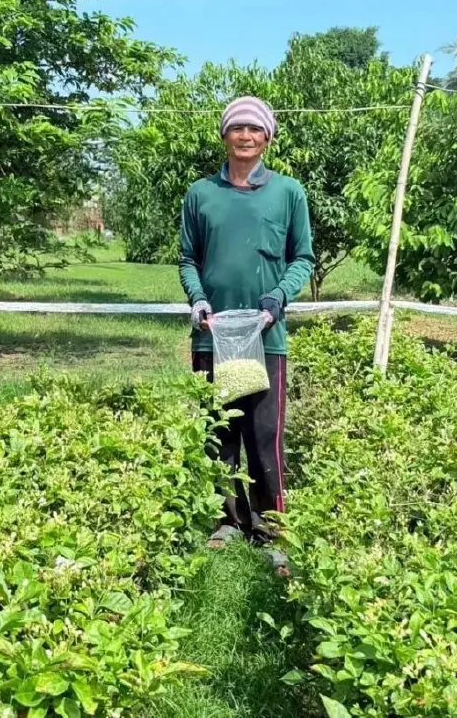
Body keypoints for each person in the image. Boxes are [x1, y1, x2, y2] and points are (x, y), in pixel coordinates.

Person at [179, 95, 314, 575]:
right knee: (220, 433)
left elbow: (303, 259)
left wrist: (278, 297)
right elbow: (188, 258)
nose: (245, 136)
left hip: (265, 338)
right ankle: (228, 522)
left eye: (255, 129)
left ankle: (272, 530)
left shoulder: (288, 193)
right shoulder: (200, 194)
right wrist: (198, 301)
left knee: (263, 436)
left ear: (268, 138)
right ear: (224, 135)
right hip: (212, 338)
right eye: (237, 128)